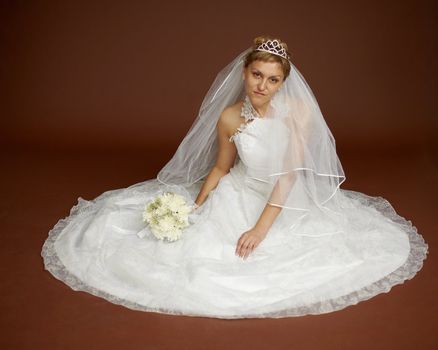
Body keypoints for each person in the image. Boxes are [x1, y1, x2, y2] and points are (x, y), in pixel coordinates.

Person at [42, 36, 429, 319]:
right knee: (197, 249)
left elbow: (289, 176)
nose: (262, 85)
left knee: (279, 255)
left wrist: (260, 230)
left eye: (272, 79)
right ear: (244, 73)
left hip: (282, 198)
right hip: (240, 189)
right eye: (257, 75)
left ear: (283, 82)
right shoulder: (229, 117)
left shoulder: (297, 113)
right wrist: (196, 206)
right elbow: (221, 168)